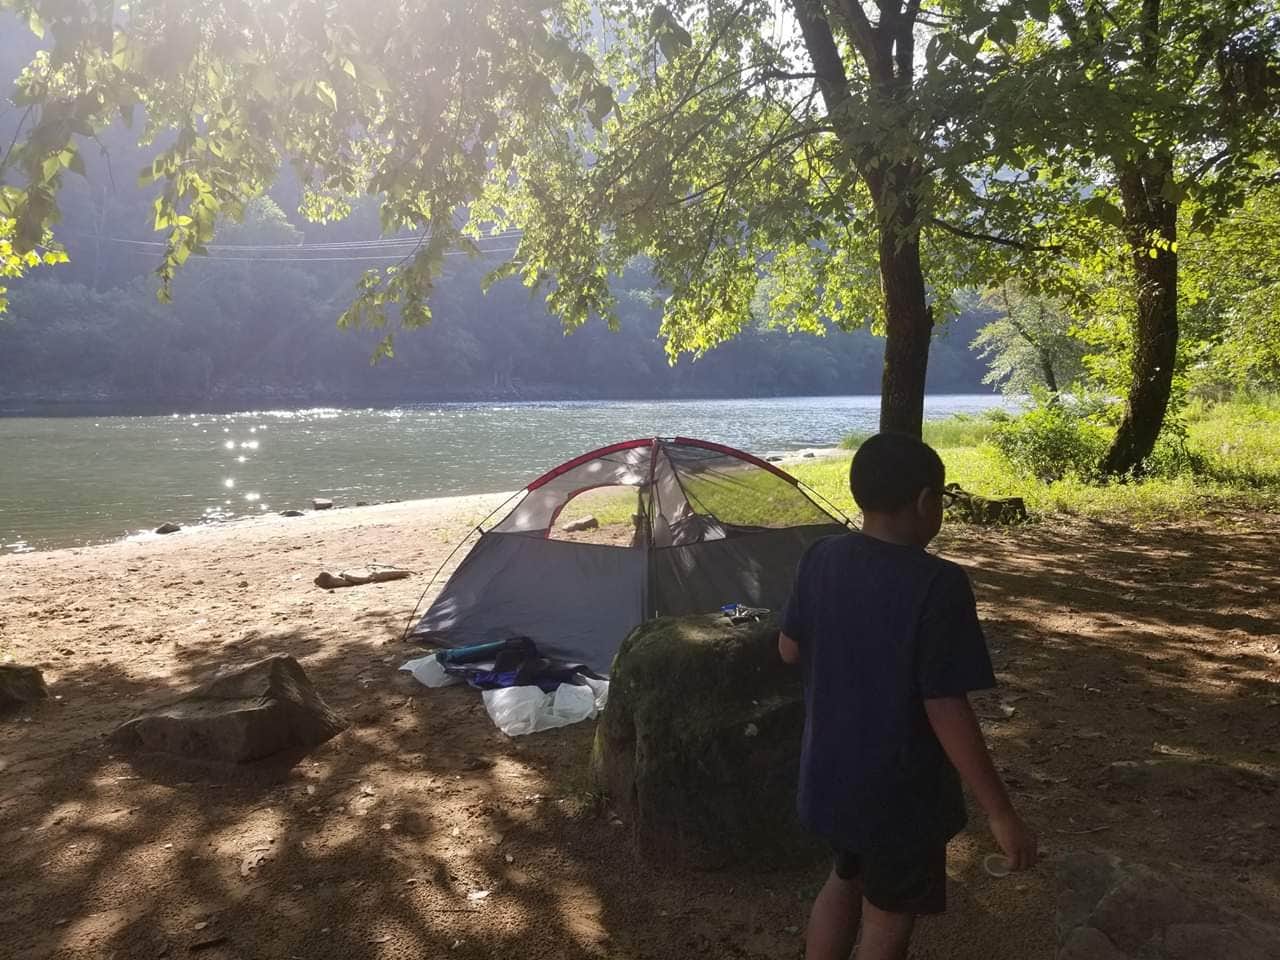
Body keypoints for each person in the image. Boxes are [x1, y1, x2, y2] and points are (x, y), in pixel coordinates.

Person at [778, 432, 1037, 960]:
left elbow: (787, 650)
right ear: (925, 502)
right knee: (889, 916)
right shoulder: (938, 584)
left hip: (830, 775)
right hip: (900, 797)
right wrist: (1000, 812)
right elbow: (945, 706)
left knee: (844, 878)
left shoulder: (820, 556)